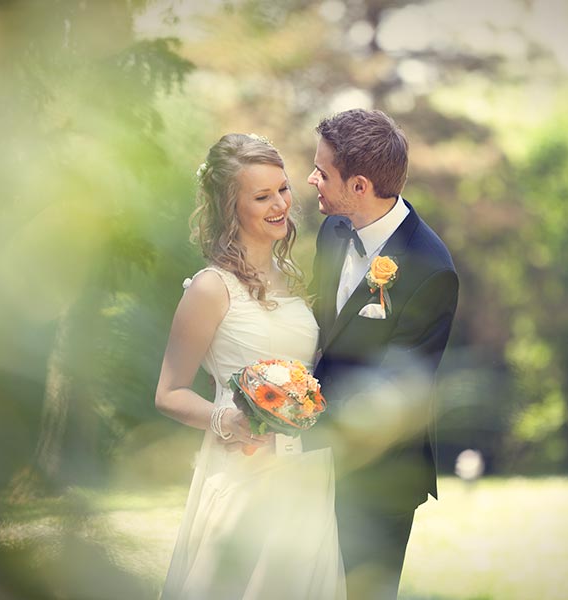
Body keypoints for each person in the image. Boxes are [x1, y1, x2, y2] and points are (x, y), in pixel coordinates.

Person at [155, 133, 345, 599]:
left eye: (282, 189)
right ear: (229, 207)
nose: (281, 204)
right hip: (243, 472)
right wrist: (231, 421)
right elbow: (169, 393)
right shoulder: (209, 288)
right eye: (262, 196)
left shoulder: (295, 279)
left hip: (306, 475)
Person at [306, 109, 459, 599]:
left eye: (322, 172)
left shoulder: (432, 270)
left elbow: (393, 391)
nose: (310, 180)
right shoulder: (332, 232)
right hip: (309, 466)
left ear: (359, 186)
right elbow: (321, 334)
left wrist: (294, 430)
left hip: (378, 475)